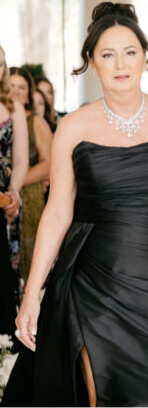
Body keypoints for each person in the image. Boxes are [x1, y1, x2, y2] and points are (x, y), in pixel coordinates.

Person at [2, 2, 148, 406]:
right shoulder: (74, 126)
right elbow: (59, 212)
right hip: (93, 280)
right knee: (100, 393)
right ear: (91, 62)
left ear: (145, 56)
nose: (121, 64)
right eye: (108, 54)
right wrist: (31, 295)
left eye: (130, 51)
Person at [7, 66, 53, 284]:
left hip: (30, 198)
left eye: (22, 87)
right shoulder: (4, 116)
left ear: (29, 93)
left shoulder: (36, 122)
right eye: (12, 85)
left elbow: (49, 163)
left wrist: (12, 182)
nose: (16, 91)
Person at [0, 44, 28, 342]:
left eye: (0, 64)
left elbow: (21, 160)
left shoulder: (13, 106)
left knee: (6, 275)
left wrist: (13, 194)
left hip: (5, 200)